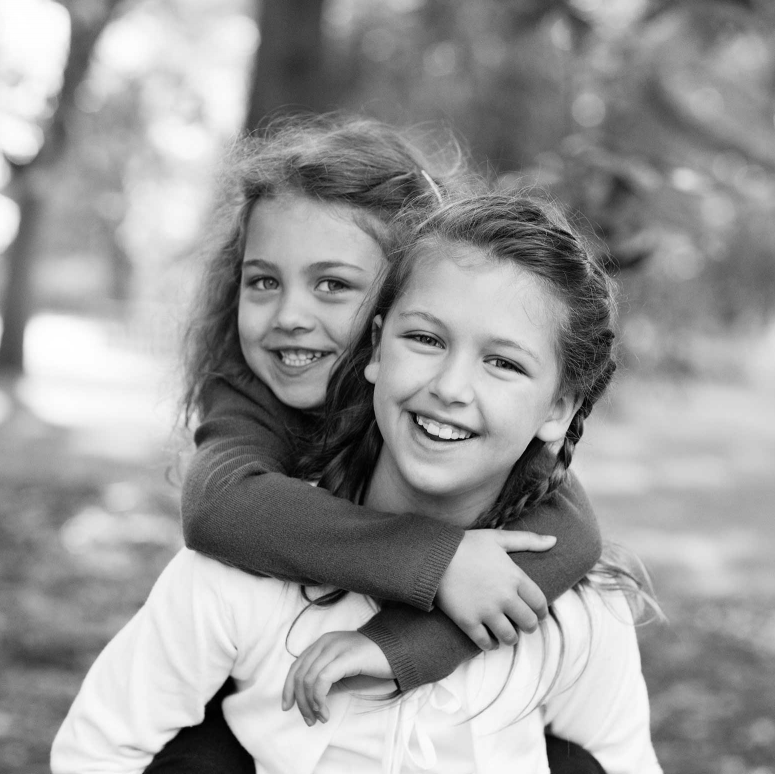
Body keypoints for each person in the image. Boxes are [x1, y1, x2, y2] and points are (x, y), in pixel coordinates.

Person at [51, 192, 660, 774]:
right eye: (425, 339)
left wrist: (407, 645)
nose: (450, 387)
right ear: (374, 348)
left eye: (502, 363)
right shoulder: (238, 578)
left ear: (558, 408)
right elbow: (97, 754)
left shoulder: (578, 611)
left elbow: (619, 761)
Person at [146, 117, 606, 772]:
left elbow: (572, 535)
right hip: (260, 700)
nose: (291, 316)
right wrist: (437, 560)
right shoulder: (249, 393)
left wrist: (403, 647)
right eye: (264, 281)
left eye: (333, 285)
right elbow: (219, 508)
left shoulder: (431, 398)